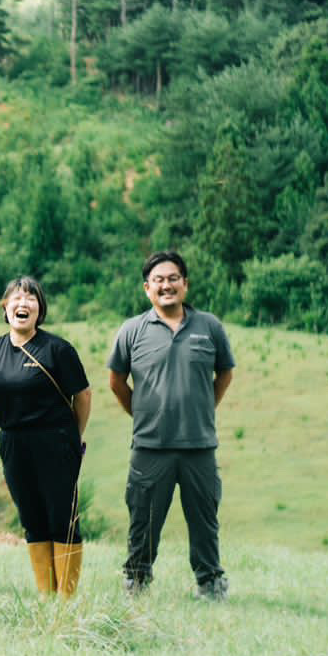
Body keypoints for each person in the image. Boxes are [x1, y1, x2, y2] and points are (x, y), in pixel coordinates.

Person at [108, 250, 235, 599]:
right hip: (150, 446)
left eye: (173, 278)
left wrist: (205, 406)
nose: (167, 286)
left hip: (199, 445)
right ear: (147, 288)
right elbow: (116, 380)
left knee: (205, 520)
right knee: (143, 520)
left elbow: (225, 372)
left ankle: (210, 583)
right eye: (159, 280)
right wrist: (143, 413)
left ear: (185, 284)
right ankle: (137, 580)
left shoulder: (209, 326)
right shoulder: (132, 330)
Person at [0, 276, 91, 597]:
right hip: (14, 444)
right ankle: (46, 595)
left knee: (61, 518)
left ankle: (66, 601)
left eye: (31, 298)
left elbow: (82, 396)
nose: (22, 303)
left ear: (40, 310)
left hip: (55, 442)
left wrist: (71, 438)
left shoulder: (57, 349)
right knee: (31, 518)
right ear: (5, 307)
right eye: (16, 298)